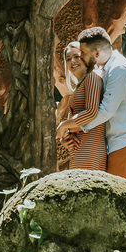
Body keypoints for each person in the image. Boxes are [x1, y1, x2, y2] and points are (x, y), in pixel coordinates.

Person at [59, 26, 126, 186]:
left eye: (83, 54)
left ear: (97, 53)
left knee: (121, 204)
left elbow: (103, 112)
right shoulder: (106, 71)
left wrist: (68, 126)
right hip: (116, 144)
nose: (82, 58)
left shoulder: (119, 69)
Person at [55, 41, 107, 171]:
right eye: (68, 59)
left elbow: (91, 113)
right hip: (79, 153)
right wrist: (65, 139)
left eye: (76, 56)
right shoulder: (79, 87)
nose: (72, 61)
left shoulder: (92, 78)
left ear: (85, 56)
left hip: (91, 151)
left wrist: (63, 126)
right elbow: (74, 123)